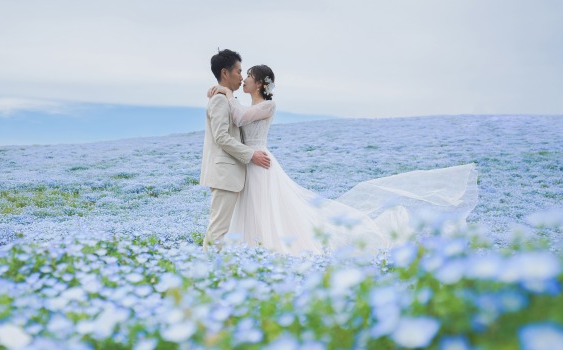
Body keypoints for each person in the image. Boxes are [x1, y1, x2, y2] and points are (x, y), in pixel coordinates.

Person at [207, 64, 479, 256]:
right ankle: (250, 251)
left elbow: (239, 118)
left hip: (261, 161)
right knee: (252, 208)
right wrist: (223, 94)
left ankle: (268, 249)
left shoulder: (268, 105)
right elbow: (236, 117)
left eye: (249, 76)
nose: (244, 79)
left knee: (268, 209)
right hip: (249, 162)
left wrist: (226, 93)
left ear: (260, 83)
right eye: (243, 74)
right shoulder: (246, 103)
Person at [200, 49, 272, 252]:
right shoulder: (219, 100)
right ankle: (208, 273)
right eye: (239, 72)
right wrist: (251, 155)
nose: (242, 77)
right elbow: (221, 137)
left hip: (231, 173)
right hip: (225, 173)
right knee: (218, 230)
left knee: (220, 229)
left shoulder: (226, 99)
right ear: (225, 73)